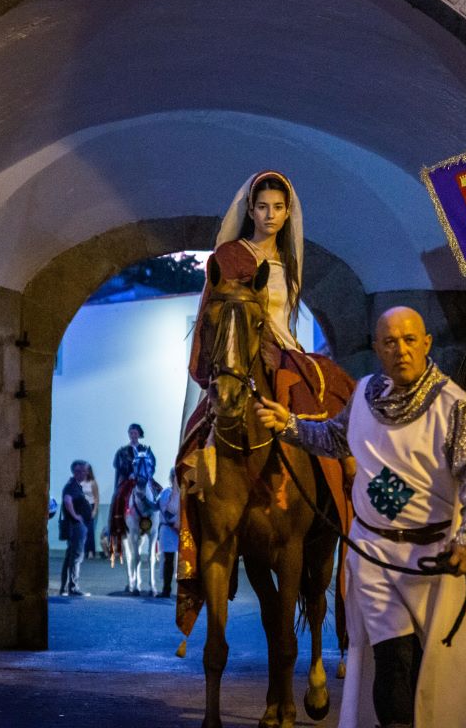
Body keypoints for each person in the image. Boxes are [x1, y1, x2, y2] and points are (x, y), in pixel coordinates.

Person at [256, 307, 466, 728]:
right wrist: (288, 425)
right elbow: (334, 438)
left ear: (427, 343)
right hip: (375, 553)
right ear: (377, 348)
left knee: (429, 670)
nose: (401, 350)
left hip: (434, 558)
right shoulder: (362, 395)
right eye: (391, 342)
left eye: (410, 339)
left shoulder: (455, 405)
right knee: (391, 658)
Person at [175, 170, 355, 636]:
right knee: (198, 437)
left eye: (278, 208)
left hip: (285, 350)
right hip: (245, 353)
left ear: (287, 212)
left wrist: (291, 354)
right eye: (262, 208)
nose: (270, 216)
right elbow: (220, 317)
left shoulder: (290, 263)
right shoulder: (231, 256)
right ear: (249, 211)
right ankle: (201, 518)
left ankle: (337, 492)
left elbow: (285, 318)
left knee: (330, 390)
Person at [60, 461, 94, 596]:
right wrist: (76, 516)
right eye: (84, 471)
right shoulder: (71, 486)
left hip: (76, 526)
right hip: (76, 526)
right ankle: (73, 588)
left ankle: (65, 588)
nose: (86, 473)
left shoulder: (75, 486)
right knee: (76, 557)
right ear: (77, 472)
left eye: (86, 471)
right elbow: (67, 501)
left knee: (70, 556)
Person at [156, 469, 180, 598]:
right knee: (169, 561)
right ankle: (166, 589)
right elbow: (166, 512)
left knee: (185, 562)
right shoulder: (166, 492)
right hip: (169, 530)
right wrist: (176, 526)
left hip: (182, 530)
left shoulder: (185, 492)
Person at [81, 462, 100, 559]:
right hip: (82, 507)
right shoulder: (79, 482)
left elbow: (96, 498)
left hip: (91, 507)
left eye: (87, 470)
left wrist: (94, 511)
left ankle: (91, 552)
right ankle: (84, 551)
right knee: (82, 531)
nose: (85, 472)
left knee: (90, 531)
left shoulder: (93, 482)